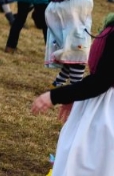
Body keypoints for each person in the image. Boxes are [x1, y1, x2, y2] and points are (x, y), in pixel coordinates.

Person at [31, 13, 114, 175]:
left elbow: (102, 81)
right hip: (98, 104)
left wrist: (55, 96)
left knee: (90, 163)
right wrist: (74, 97)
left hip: (104, 114)